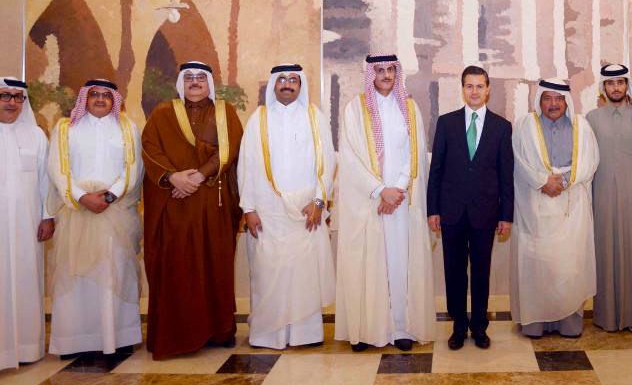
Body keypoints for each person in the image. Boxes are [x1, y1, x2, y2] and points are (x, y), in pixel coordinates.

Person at [141, 61, 244, 359]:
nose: (195, 82)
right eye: (189, 78)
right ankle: (176, 334)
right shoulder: (163, 113)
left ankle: (218, 330)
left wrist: (199, 176)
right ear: (181, 83)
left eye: (200, 77)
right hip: (174, 203)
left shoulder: (225, 112)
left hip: (213, 202)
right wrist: (173, 177)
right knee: (177, 266)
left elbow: (230, 149)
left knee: (214, 263)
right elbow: (149, 148)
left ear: (209, 82)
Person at [335, 54, 435, 351]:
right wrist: (380, 190)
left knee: (400, 263)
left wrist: (397, 189)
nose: (386, 75)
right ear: (371, 74)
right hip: (368, 202)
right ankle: (367, 330)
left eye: (391, 69)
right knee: (368, 263)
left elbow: (415, 153)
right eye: (379, 70)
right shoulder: (355, 109)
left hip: (401, 202)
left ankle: (401, 328)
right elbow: (350, 158)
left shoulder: (409, 108)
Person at [238, 64, 336, 348]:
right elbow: (246, 165)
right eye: (281, 79)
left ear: (300, 85)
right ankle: (268, 334)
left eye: (293, 79)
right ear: (273, 84)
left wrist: (319, 201)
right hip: (267, 212)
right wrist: (249, 208)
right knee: (268, 274)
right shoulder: (258, 119)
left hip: (306, 211)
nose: (287, 84)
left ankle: (307, 335)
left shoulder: (314, 117)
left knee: (303, 276)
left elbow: (328, 162)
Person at [47, 79, 143, 357]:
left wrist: (110, 196)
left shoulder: (127, 128)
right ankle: (75, 342)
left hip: (116, 213)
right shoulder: (65, 128)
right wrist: (82, 197)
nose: (100, 99)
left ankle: (118, 339)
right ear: (84, 99)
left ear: (114, 100)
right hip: (77, 213)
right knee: (76, 275)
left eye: (106, 95)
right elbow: (57, 169)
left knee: (115, 274)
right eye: (94, 95)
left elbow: (134, 168)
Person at [0, 77, 54, 375]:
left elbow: (46, 181)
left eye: (18, 97)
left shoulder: (36, 136)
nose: (12, 102)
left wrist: (48, 216)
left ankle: (26, 349)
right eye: (4, 95)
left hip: (27, 228)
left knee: (26, 282)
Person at [427, 65, 513, 350]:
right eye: (469, 86)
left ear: (487, 89)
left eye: (479, 86)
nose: (474, 91)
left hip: (485, 213)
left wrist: (506, 215)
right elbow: (436, 170)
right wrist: (433, 209)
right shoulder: (446, 123)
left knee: (481, 271)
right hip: (451, 212)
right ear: (462, 89)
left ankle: (479, 326)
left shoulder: (502, 127)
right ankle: (458, 326)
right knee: (454, 272)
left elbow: (506, 175)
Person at [511, 79, 599, 338]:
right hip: (535, 205)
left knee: (569, 267)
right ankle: (535, 322)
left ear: (566, 101)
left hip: (572, 204)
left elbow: (591, 160)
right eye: (547, 98)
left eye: (558, 99)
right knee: (537, 266)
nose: (553, 104)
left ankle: (568, 321)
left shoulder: (581, 126)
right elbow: (518, 160)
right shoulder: (525, 125)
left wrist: (566, 181)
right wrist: (543, 181)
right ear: (539, 100)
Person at [585, 64, 632, 332]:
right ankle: (608, 317)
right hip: (602, 196)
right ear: (603, 87)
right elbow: (587, 161)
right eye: (610, 83)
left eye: (620, 82)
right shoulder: (591, 119)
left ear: (627, 85)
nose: (616, 88)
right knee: (605, 253)